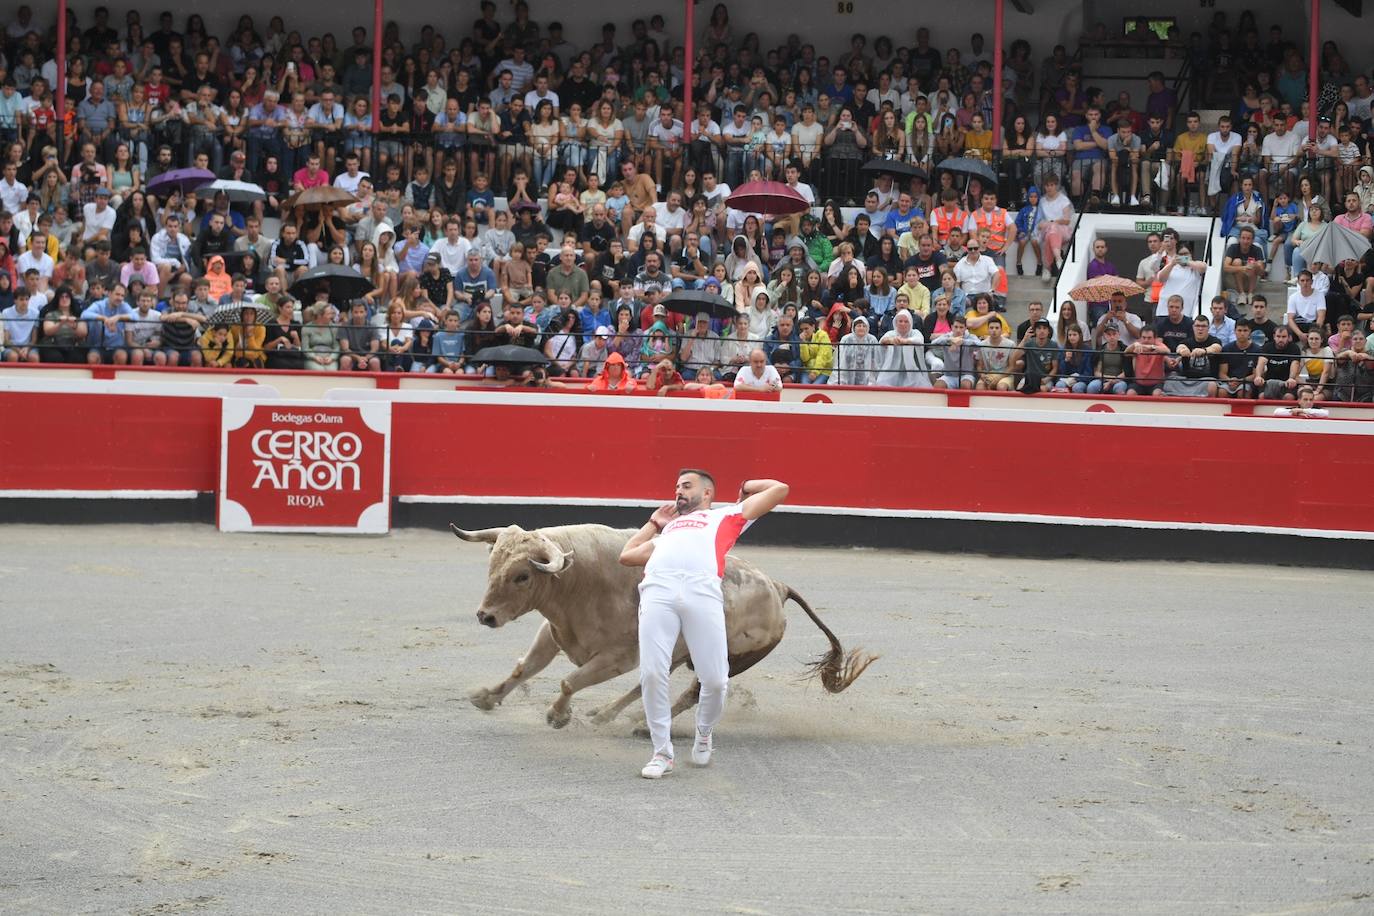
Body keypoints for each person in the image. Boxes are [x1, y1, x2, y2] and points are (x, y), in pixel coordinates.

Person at [618, 470, 790, 779]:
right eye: (676, 487)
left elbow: (780, 489)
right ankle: (661, 753)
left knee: (714, 681)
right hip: (658, 591)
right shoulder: (666, 534)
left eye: (686, 486)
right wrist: (653, 523)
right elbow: (627, 555)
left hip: (703, 593)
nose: (678, 492)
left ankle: (704, 731)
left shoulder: (729, 515)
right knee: (653, 673)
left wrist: (746, 486)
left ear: (707, 493)